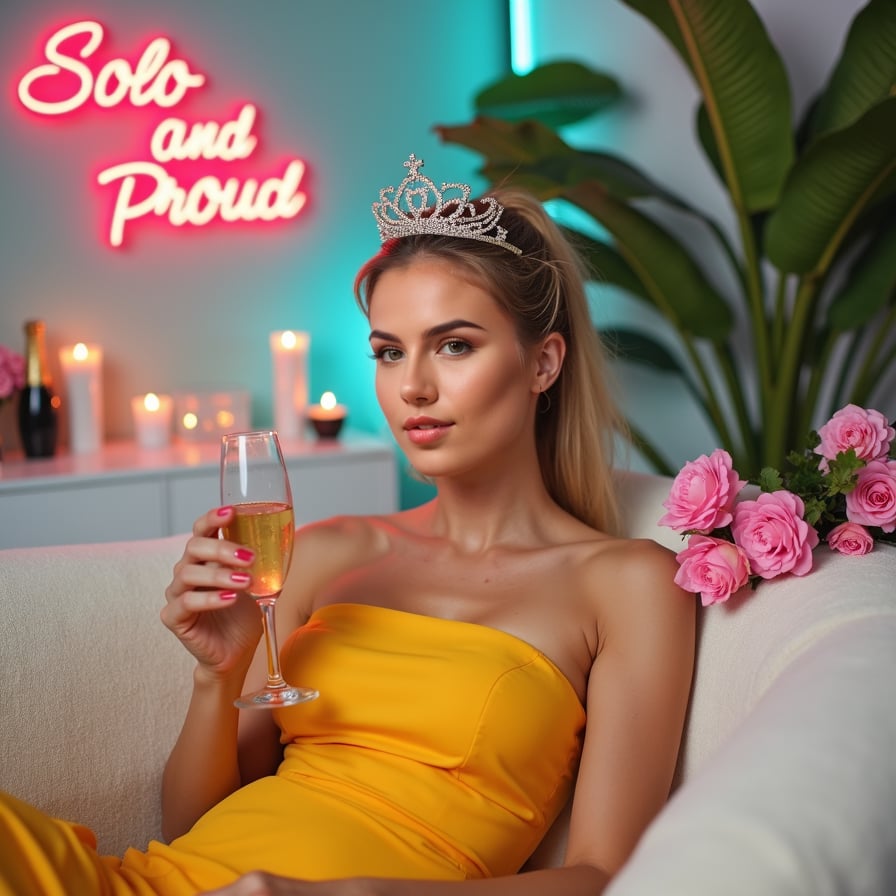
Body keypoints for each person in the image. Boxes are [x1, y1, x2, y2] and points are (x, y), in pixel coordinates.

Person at [0, 154, 695, 895]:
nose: (413, 388)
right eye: (390, 353)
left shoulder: (628, 583)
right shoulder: (327, 554)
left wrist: (359, 895)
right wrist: (218, 672)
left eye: (454, 345)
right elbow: (187, 829)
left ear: (543, 363)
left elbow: (602, 876)